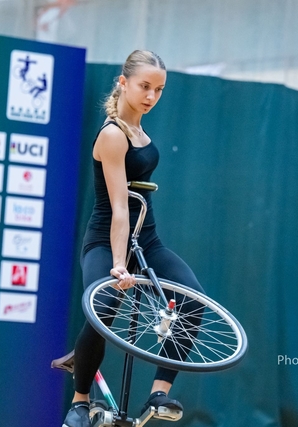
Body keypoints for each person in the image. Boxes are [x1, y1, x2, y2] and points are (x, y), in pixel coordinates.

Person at [63, 50, 205, 427]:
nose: (151, 96)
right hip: (105, 239)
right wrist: (118, 263)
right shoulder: (112, 135)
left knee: (193, 301)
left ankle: (159, 392)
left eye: (159, 90)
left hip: (147, 241)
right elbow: (120, 209)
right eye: (144, 86)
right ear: (123, 83)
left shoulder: (140, 132)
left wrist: (134, 253)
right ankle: (80, 402)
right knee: (105, 307)